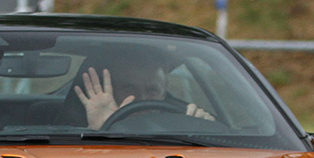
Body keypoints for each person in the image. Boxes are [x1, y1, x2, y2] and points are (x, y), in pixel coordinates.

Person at [72, 50, 214, 130]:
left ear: (163, 94)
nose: (142, 98)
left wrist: (203, 129)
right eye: (128, 88)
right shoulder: (95, 126)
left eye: (152, 90)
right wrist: (99, 130)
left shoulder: (181, 126)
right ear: (111, 90)